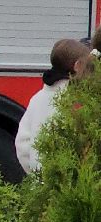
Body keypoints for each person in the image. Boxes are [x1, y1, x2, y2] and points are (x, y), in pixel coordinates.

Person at [18, 37, 97, 174]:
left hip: (42, 180)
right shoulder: (67, 102)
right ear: (78, 66)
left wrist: (35, 175)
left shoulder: (38, 98)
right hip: (62, 180)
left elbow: (22, 144)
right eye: (88, 66)